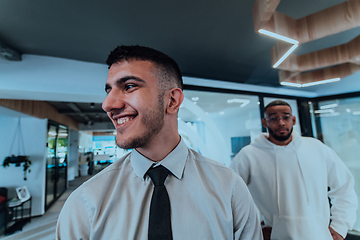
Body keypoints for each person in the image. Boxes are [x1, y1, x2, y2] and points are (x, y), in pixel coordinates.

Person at [56, 45, 262, 239]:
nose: (107, 104)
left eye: (129, 86)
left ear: (172, 101)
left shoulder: (230, 188)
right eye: (108, 90)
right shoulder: (85, 201)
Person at [230, 100, 358, 240]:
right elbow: (230, 195)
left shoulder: (317, 148)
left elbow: (344, 187)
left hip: (320, 236)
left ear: (294, 119)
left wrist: (339, 227)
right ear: (264, 122)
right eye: (273, 118)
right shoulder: (248, 155)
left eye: (286, 117)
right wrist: (253, 231)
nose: (281, 123)